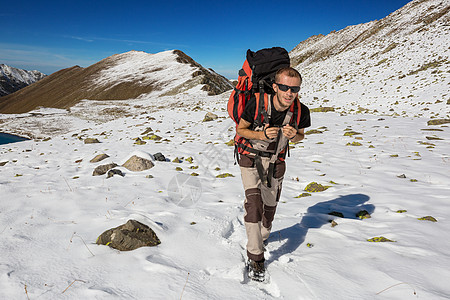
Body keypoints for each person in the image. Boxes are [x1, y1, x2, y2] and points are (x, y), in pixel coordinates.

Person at [236, 67, 311, 281]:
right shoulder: (258, 103)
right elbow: (241, 130)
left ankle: (263, 235)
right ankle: (256, 258)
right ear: (276, 86)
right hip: (250, 157)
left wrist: (294, 134)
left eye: (294, 89)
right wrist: (261, 134)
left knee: (269, 208)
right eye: (285, 87)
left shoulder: (300, 111)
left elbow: (301, 136)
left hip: (276, 162)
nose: (290, 93)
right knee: (253, 205)